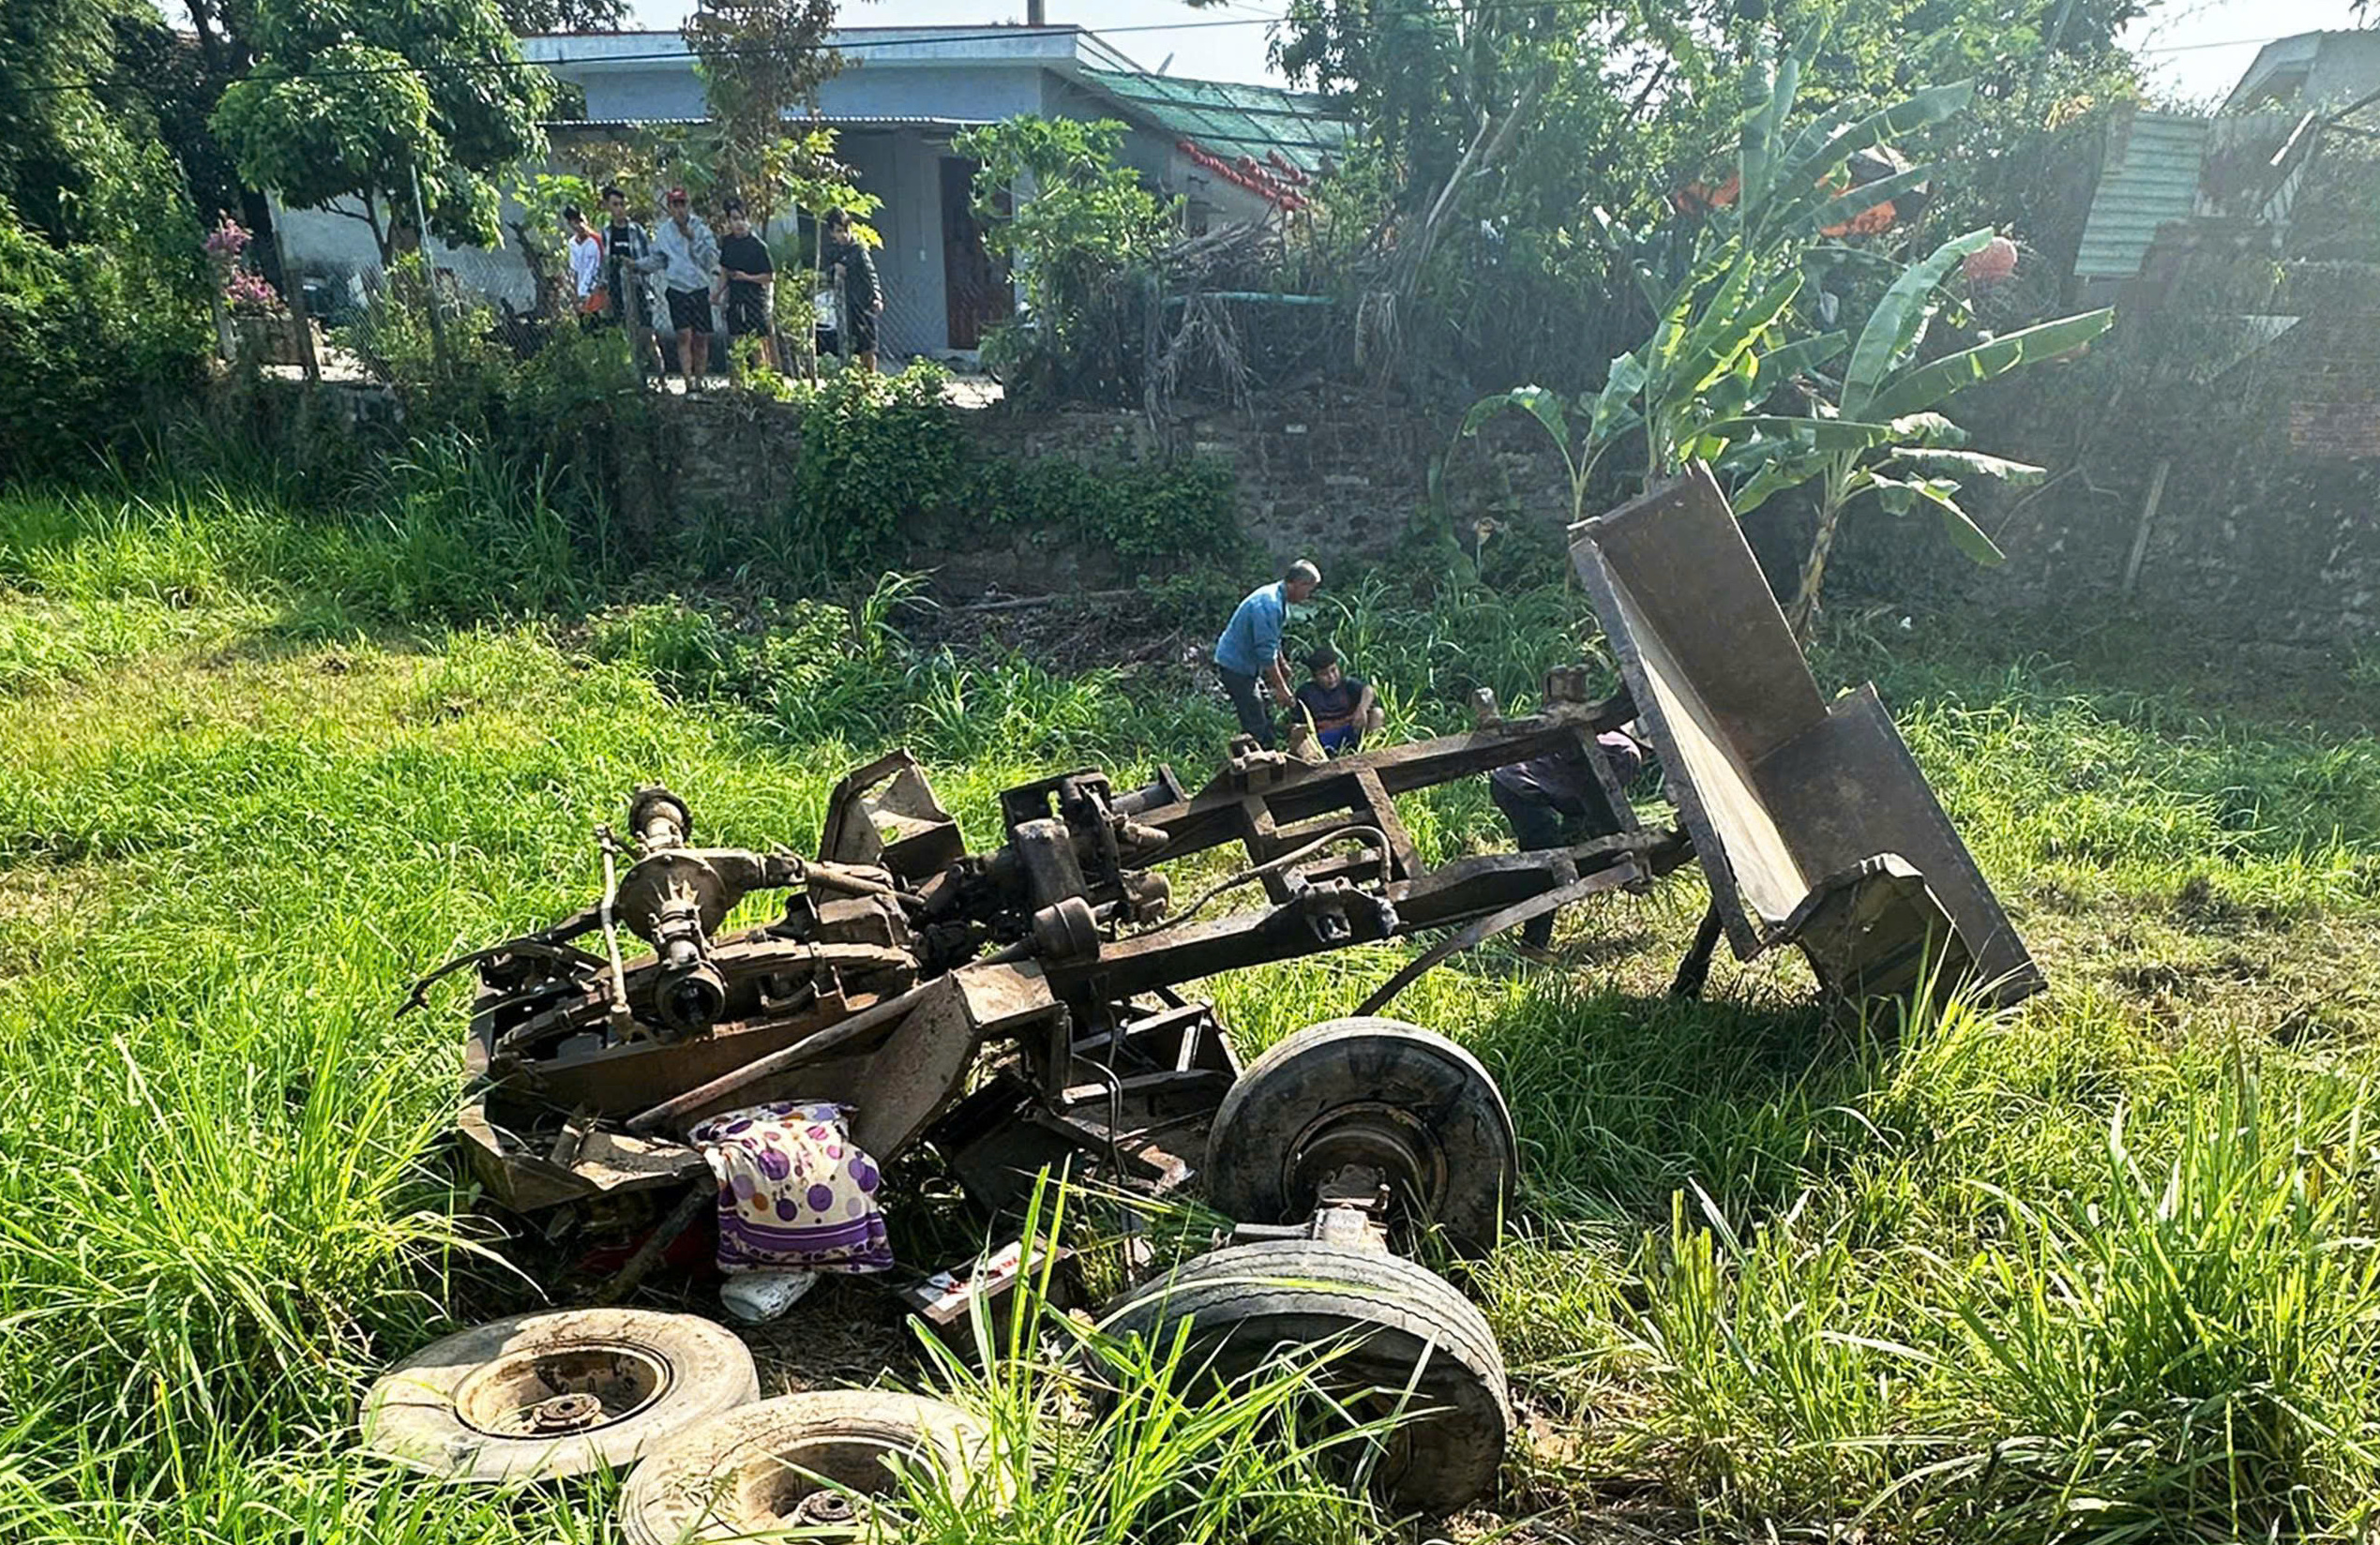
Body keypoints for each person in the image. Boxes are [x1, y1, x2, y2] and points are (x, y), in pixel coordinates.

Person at [1490, 730, 1647, 948]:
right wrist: (1623, 849)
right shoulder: (1627, 753)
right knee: (1548, 865)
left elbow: (1579, 798)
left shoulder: (1610, 739)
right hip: (1521, 787)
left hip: (1514, 781)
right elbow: (1602, 800)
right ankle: (1532, 946)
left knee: (1550, 857)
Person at [1212, 560, 1321, 750]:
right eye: (1308, 590)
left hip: (1248, 665)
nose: (1308, 596)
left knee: (1264, 709)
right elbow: (1265, 653)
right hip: (1236, 666)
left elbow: (1272, 638)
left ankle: (1269, 748)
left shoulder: (1278, 598)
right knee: (1255, 719)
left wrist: (1283, 663)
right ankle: (1258, 757)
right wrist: (1281, 687)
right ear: (1298, 584)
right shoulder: (1269, 604)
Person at [654, 186, 720, 392]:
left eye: (682, 204)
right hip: (677, 288)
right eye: (675, 205)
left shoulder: (701, 228)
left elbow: (711, 259)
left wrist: (693, 239)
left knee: (701, 337)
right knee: (684, 335)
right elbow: (657, 258)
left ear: (688, 205)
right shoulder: (664, 232)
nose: (679, 209)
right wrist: (637, 266)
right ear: (669, 208)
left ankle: (700, 380)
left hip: (699, 287)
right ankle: (688, 382)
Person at [600, 184, 666, 378]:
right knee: (621, 334)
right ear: (608, 206)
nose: (620, 209)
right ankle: (632, 377)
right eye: (615, 205)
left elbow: (649, 260)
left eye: (622, 204)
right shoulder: (606, 232)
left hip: (638, 288)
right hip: (616, 290)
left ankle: (661, 376)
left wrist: (635, 266)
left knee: (647, 335)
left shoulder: (636, 231)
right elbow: (604, 263)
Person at [715, 195, 777, 376]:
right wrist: (717, 293)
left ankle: (763, 381)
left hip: (755, 299)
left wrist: (747, 277)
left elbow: (770, 276)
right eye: (735, 219)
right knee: (737, 344)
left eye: (742, 219)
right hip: (735, 298)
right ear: (729, 221)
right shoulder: (727, 243)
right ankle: (738, 383)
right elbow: (725, 270)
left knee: (757, 344)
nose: (739, 223)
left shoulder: (758, 246)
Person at [1292, 645, 1383, 756]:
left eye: (1333, 670)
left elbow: (1368, 690)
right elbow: (1298, 725)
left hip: (1351, 731)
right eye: (1324, 674)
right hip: (1323, 738)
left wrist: (1362, 709)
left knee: (1377, 713)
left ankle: (1372, 753)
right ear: (1314, 677)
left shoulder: (1347, 685)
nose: (1331, 677)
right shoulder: (1306, 692)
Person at [822, 207, 881, 373]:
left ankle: (870, 379)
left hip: (863, 304)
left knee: (868, 347)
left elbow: (871, 273)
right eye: (838, 231)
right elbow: (826, 274)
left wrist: (877, 296)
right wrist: (835, 269)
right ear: (832, 233)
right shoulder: (831, 252)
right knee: (847, 346)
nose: (844, 235)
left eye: (846, 230)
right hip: (844, 306)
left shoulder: (858, 250)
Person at [563, 203, 605, 319]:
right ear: (570, 224)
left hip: (597, 292)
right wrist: (576, 295)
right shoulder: (572, 244)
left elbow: (604, 266)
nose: (580, 225)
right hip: (582, 294)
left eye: (581, 220)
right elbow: (575, 270)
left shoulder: (597, 240)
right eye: (576, 222)